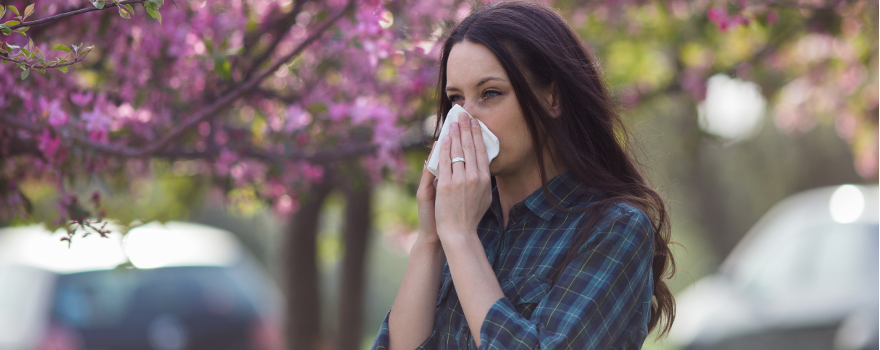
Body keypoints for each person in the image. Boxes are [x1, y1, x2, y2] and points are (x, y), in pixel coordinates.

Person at [371, 1, 675, 349]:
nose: (464, 121)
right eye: (456, 100)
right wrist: (430, 239)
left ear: (552, 97)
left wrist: (460, 239)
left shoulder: (613, 228)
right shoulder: (465, 222)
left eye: (490, 93)